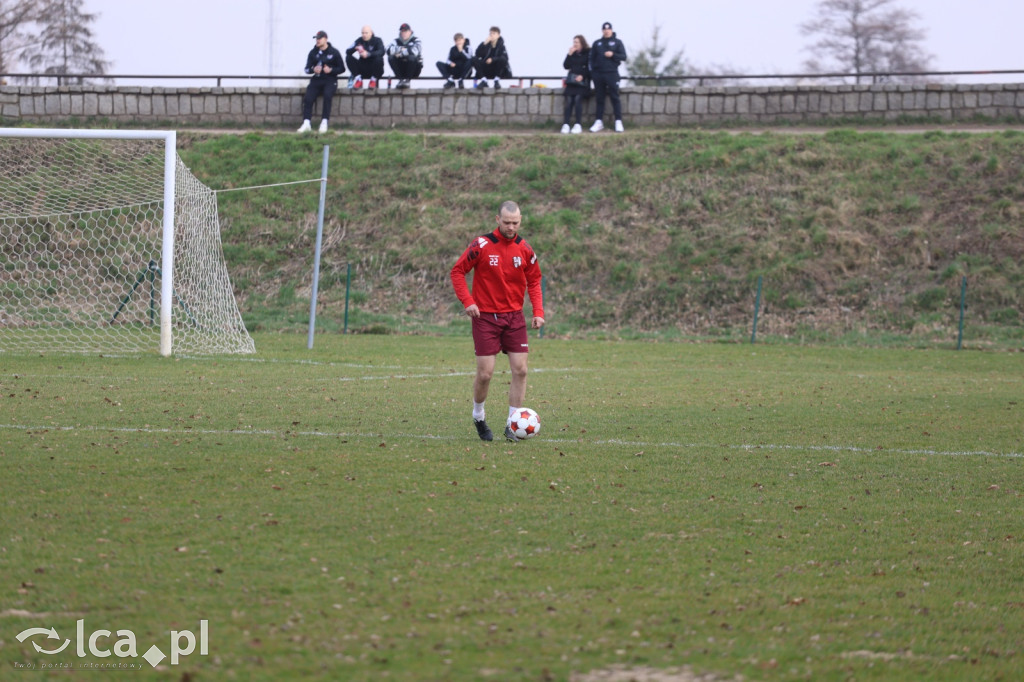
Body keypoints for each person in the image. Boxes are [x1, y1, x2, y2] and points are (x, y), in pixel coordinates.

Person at [450, 201, 545, 443]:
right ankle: (478, 416)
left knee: (521, 370)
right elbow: (458, 271)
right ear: (497, 220)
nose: (511, 227)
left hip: (514, 317)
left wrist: (538, 311)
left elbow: (534, 280)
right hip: (485, 318)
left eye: (515, 222)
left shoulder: (525, 249)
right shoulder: (481, 245)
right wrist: (467, 301)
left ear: (520, 220)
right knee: (485, 374)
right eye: (506, 222)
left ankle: (512, 425)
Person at [298, 30, 345, 134]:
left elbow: (342, 68)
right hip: (317, 79)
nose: (317, 40)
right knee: (308, 97)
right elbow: (306, 69)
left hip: (330, 80)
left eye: (320, 38)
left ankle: (324, 122)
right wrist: (313, 69)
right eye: (316, 39)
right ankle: (306, 123)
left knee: (327, 96)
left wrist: (331, 70)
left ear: (326, 39)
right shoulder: (313, 53)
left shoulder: (334, 52)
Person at [589, 21, 627, 133]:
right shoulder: (597, 43)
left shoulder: (617, 42)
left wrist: (613, 55)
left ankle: (618, 121)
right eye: (604, 29)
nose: (606, 31)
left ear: (611, 30)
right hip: (599, 75)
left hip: (612, 73)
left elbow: (624, 56)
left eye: (608, 29)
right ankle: (598, 121)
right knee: (599, 98)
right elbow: (591, 59)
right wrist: (593, 73)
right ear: (602, 31)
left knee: (615, 97)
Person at [561, 35, 591, 134]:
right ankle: (566, 124)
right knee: (569, 101)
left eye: (577, 42)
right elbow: (566, 66)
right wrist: (569, 54)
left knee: (578, 100)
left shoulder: (588, 53)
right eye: (574, 42)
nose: (575, 44)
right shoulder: (572, 54)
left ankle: (578, 124)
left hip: (582, 83)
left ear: (582, 43)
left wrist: (582, 75)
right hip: (572, 82)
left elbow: (590, 68)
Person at [387, 23, 423, 89]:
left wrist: (401, 54)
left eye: (405, 31)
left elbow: (415, 51)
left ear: (410, 31)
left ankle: (407, 81)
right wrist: (400, 48)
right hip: (401, 68)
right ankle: (401, 80)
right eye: (402, 31)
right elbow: (388, 50)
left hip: (414, 69)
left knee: (411, 57)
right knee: (391, 58)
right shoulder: (396, 41)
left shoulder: (416, 40)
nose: (404, 33)